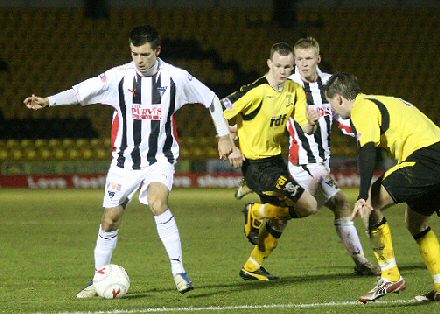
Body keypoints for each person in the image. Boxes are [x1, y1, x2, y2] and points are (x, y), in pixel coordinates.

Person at [24, 25, 234, 298]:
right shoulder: (118, 78)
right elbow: (80, 93)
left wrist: (223, 135)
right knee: (110, 220)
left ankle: (179, 270)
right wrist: (48, 101)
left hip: (160, 158)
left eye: (145, 54)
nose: (139, 60)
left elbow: (211, 99)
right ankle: (98, 280)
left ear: (157, 51)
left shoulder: (176, 78)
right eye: (134, 54)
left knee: (158, 203)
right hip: (124, 162)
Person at [232, 37, 379, 277]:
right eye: (298, 59)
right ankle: (361, 262)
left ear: (318, 58)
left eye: (308, 58)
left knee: (296, 212)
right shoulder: (287, 85)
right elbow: (261, 113)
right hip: (300, 163)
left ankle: (252, 264)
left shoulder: (331, 86)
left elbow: (342, 118)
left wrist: (360, 131)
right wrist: (236, 136)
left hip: (320, 163)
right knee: (329, 205)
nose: (303, 64)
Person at [325, 72, 440, 303]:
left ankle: (389, 275)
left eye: (332, 104)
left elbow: (367, 150)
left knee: (370, 205)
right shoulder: (381, 100)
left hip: (426, 158)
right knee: (415, 222)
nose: (335, 110)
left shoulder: (362, 108)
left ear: (338, 99)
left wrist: (362, 195)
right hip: (434, 155)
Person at [223, 42, 320, 281]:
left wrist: (312, 121)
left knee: (279, 220)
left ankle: (252, 266)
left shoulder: (295, 91)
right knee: (310, 205)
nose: (283, 71)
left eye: (288, 66)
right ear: (269, 64)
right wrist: (230, 142)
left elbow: (305, 127)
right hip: (255, 165)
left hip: (276, 161)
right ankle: (254, 211)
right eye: (278, 66)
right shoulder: (256, 90)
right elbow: (222, 109)